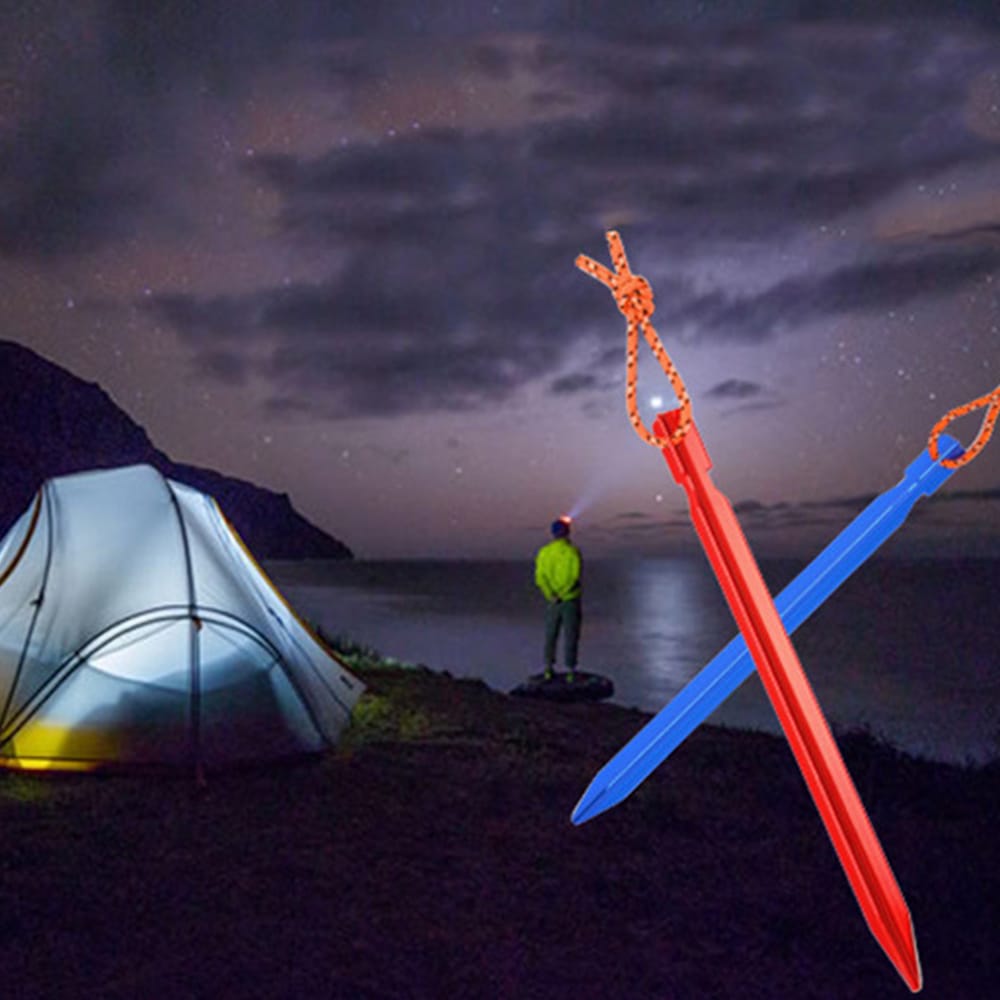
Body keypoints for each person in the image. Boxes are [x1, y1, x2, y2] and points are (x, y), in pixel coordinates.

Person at [534, 516, 583, 682]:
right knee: (571, 634)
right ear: (567, 533)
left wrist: (551, 594)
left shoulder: (544, 552)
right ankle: (570, 670)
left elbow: (540, 577)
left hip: (552, 600)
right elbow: (574, 576)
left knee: (551, 634)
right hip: (570, 599)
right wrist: (563, 593)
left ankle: (548, 668)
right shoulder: (572, 552)